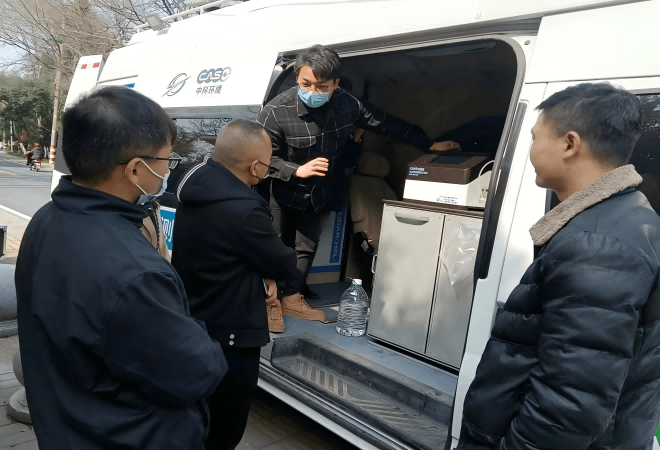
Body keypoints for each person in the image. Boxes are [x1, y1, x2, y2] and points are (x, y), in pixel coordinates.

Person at [15, 86, 228, 450]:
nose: (168, 169)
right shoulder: (134, 273)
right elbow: (195, 372)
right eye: (167, 159)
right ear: (135, 169)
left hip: (66, 423)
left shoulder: (47, 219)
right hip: (129, 435)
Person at [457, 83, 660, 450]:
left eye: (536, 137)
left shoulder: (596, 245)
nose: (531, 149)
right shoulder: (627, 218)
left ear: (569, 144)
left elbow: (568, 408)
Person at [257, 44, 460, 312]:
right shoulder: (276, 111)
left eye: (322, 86)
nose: (313, 92)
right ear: (297, 78)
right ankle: (266, 302)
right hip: (283, 190)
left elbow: (387, 123)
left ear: (335, 83)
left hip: (321, 190)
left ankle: (293, 297)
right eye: (306, 84)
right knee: (274, 245)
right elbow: (259, 157)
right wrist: (295, 170)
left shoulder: (348, 104)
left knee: (306, 245)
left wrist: (428, 144)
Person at [171, 119, 300, 449]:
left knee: (195, 419)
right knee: (224, 428)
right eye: (268, 163)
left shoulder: (194, 188)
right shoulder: (246, 210)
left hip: (194, 322)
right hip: (232, 338)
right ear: (255, 167)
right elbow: (283, 263)